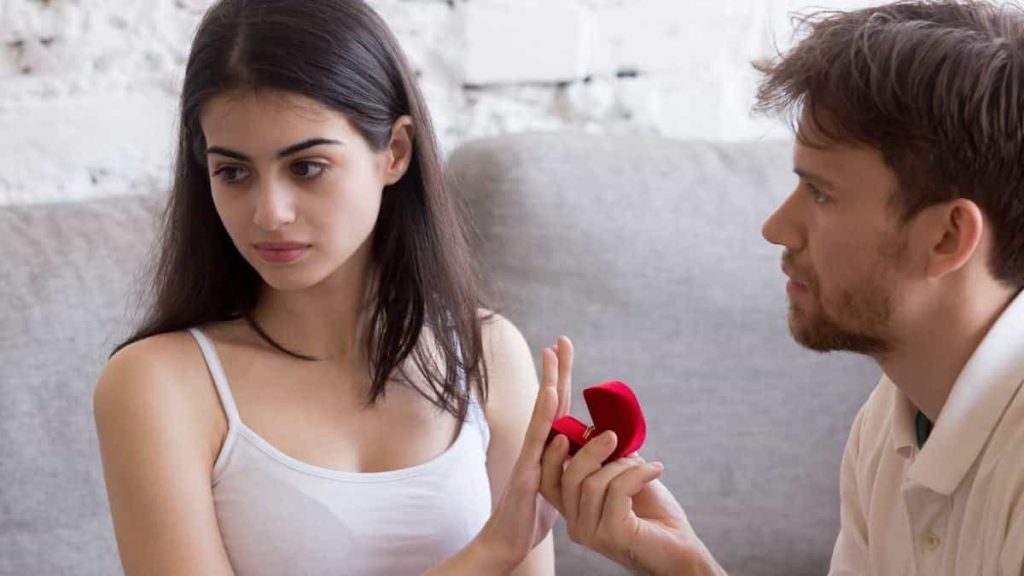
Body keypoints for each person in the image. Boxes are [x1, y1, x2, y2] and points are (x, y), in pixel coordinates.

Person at [538, 1, 1024, 574]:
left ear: (947, 236)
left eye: (820, 193)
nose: (776, 228)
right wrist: (685, 567)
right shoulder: (891, 421)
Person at [92, 0, 572, 574]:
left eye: (306, 167)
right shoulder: (158, 384)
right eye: (233, 172)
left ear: (394, 152)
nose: (269, 213)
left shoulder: (486, 354)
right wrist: (490, 553)